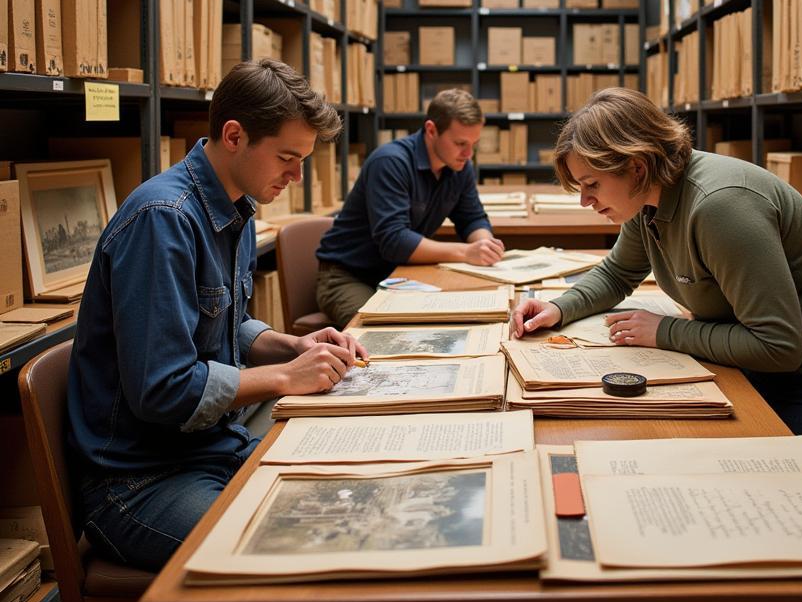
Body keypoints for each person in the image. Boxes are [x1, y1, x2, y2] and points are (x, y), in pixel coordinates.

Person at [68, 59, 369, 571]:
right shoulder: (161, 221)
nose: (296, 177)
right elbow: (162, 387)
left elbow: (222, 321)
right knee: (300, 554)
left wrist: (289, 345)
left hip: (209, 449)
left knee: (351, 504)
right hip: (138, 480)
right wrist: (282, 378)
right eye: (287, 158)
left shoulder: (237, 206)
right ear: (234, 135)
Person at [511, 87, 802, 480]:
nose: (584, 202)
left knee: (796, 507)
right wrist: (559, 307)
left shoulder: (719, 206)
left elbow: (778, 346)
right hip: (770, 358)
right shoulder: (649, 200)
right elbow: (617, 273)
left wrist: (666, 331)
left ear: (637, 167)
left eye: (591, 184)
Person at [316, 89, 505, 326]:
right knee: (379, 335)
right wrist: (467, 253)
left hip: (401, 274)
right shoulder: (390, 162)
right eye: (460, 143)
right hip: (348, 276)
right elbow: (395, 241)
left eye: (473, 144)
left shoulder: (459, 166)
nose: (468, 154)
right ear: (431, 130)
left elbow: (472, 217)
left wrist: (484, 244)